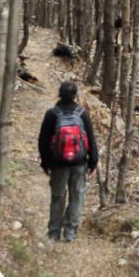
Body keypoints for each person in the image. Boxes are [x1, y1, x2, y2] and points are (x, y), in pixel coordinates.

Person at [38, 80, 98, 242]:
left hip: (58, 164)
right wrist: (93, 162)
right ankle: (70, 232)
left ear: (59, 94)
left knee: (58, 196)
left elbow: (43, 141)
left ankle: (54, 232)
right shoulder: (82, 113)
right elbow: (91, 139)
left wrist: (45, 163)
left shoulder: (52, 114)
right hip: (79, 163)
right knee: (76, 197)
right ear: (75, 96)